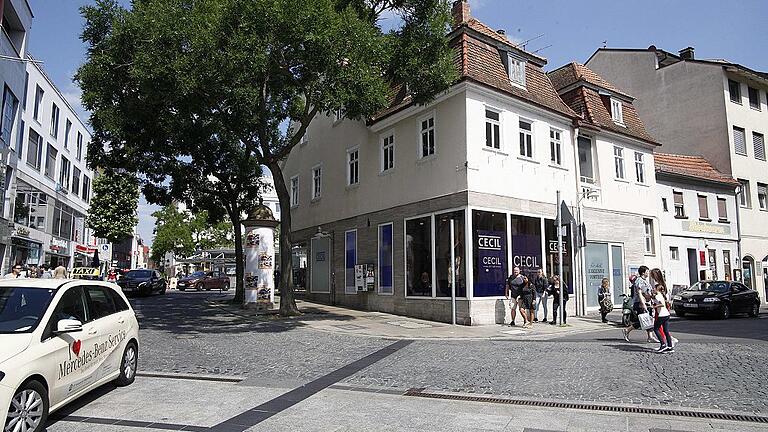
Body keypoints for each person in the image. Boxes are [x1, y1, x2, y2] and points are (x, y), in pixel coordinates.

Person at [622, 266, 659, 343]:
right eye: (647, 272)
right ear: (643, 272)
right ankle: (627, 330)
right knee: (643, 320)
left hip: (647, 303)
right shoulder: (639, 281)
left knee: (648, 320)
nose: (648, 273)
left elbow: (647, 292)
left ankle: (650, 337)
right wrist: (643, 304)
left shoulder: (645, 281)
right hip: (640, 303)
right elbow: (639, 293)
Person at [651, 277, 674, 353]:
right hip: (666, 315)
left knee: (656, 329)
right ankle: (670, 346)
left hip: (662, 315)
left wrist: (654, 307)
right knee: (666, 331)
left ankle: (663, 344)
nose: (653, 289)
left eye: (654, 288)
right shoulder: (661, 295)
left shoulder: (658, 296)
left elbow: (661, 305)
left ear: (657, 289)